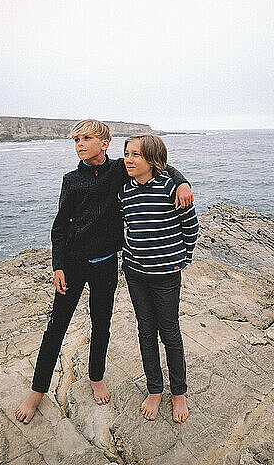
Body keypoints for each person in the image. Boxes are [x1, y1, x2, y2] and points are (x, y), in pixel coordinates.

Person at [15, 119, 193, 424]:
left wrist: (182, 181)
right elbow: (60, 227)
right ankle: (37, 391)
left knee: (101, 325)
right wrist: (58, 265)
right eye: (75, 140)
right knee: (56, 328)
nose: (80, 144)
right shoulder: (71, 179)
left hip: (107, 264)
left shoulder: (119, 170)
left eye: (86, 138)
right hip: (72, 265)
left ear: (105, 143)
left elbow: (159, 164)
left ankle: (96, 377)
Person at [119, 134, 199, 423]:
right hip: (135, 272)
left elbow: (191, 227)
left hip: (166, 275)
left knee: (170, 333)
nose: (128, 159)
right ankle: (155, 389)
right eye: (126, 153)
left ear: (151, 160)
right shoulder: (124, 190)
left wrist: (183, 259)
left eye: (135, 155)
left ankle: (179, 393)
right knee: (145, 331)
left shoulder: (172, 189)